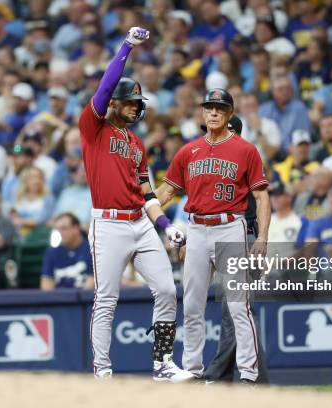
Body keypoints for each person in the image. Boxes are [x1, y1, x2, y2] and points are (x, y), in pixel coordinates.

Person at [79, 27, 192, 382]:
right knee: (107, 298)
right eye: (130, 102)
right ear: (114, 102)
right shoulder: (93, 128)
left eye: (138, 104)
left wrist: (166, 225)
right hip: (109, 224)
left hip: (140, 223)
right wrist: (127, 46)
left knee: (166, 290)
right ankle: (102, 372)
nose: (135, 108)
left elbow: (146, 194)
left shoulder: (137, 145)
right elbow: (105, 85)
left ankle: (162, 364)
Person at [156, 88, 271, 384]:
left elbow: (262, 197)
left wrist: (262, 238)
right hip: (195, 228)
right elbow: (166, 192)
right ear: (203, 112)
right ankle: (192, 369)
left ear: (229, 113)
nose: (214, 112)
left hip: (230, 226)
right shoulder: (188, 151)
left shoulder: (245, 149)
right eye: (209, 107)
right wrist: (140, 203)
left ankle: (248, 373)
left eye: (220, 108)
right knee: (193, 304)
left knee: (238, 304)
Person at [40, 213, 93, 290]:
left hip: (85, 300)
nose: (60, 232)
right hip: (57, 300)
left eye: (64, 228)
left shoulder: (92, 249)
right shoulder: (51, 252)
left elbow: (92, 283)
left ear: (76, 228)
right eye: (58, 229)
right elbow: (46, 284)